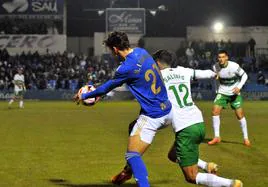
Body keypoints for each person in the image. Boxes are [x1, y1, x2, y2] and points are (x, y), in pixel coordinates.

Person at [112, 50, 243, 187]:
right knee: (173, 155)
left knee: (191, 176)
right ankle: (207, 165)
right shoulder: (183, 71)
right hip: (197, 122)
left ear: (156, 63)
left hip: (184, 127)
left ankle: (230, 184)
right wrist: (214, 74)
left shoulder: (157, 78)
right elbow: (207, 74)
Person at [74, 31, 173, 187]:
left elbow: (106, 87)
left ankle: (137, 176)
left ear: (114, 49)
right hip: (168, 109)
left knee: (132, 155)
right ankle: (127, 171)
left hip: (154, 115)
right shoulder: (142, 52)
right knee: (132, 127)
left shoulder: (125, 68)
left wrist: (85, 96)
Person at [208, 50, 250, 146]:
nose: (221, 59)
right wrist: (216, 89)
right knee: (215, 111)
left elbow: (245, 76)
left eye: (223, 57)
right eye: (219, 57)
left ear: (227, 57)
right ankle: (217, 137)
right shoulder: (215, 67)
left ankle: (246, 138)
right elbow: (216, 78)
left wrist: (239, 87)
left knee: (240, 115)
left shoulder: (234, 66)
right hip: (222, 92)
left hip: (234, 93)